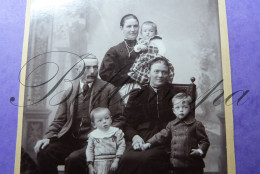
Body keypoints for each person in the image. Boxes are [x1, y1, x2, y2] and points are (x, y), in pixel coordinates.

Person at [34, 54, 124, 174]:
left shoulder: (109, 90)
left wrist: (103, 134)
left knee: (74, 159)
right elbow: (59, 120)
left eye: (95, 67)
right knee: (44, 152)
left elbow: (120, 118)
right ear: (77, 69)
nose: (92, 71)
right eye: (87, 67)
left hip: (96, 141)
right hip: (70, 139)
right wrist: (48, 137)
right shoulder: (69, 92)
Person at [117, 56, 176, 174]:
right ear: (149, 73)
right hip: (139, 137)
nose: (160, 75)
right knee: (126, 159)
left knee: (146, 159)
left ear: (168, 74)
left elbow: (178, 122)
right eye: (156, 71)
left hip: (163, 138)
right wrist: (134, 137)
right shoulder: (137, 94)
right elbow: (127, 123)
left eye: (164, 72)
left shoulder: (175, 94)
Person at [143, 93, 210, 174]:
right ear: (173, 111)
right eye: (177, 108)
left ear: (190, 108)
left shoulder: (196, 125)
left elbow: (204, 141)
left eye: (185, 107)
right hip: (175, 164)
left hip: (192, 164)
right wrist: (149, 143)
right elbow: (161, 135)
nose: (181, 110)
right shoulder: (171, 125)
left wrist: (200, 151)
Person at [99, 14, 141, 104]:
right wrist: (131, 77)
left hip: (143, 93)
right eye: (129, 26)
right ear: (121, 28)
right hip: (118, 94)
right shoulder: (114, 51)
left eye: (135, 26)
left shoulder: (147, 50)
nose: (133, 30)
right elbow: (105, 74)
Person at [128, 21, 174, 85]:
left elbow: (162, 49)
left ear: (155, 32)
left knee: (156, 69)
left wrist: (159, 56)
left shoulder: (157, 40)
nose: (148, 33)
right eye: (145, 31)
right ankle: (143, 81)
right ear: (141, 33)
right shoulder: (141, 41)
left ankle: (151, 82)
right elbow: (136, 49)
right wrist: (139, 47)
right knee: (141, 69)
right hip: (143, 59)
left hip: (154, 58)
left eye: (151, 31)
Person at [86, 107, 125, 174]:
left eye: (107, 118)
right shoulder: (93, 136)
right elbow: (89, 150)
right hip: (98, 164)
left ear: (111, 119)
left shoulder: (116, 132)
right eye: (100, 120)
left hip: (114, 162)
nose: (104, 121)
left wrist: (116, 160)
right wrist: (90, 166)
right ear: (94, 124)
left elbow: (122, 146)